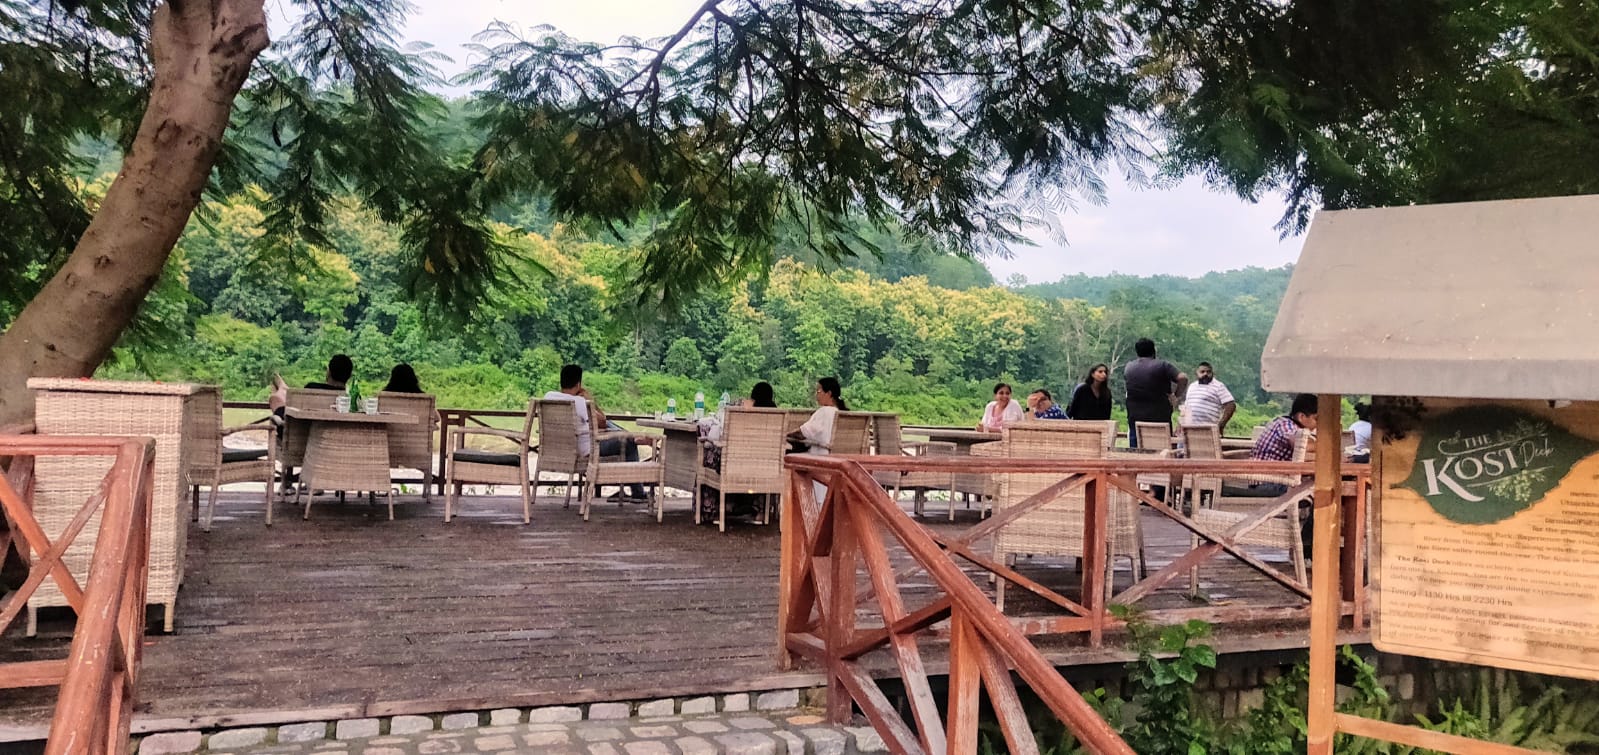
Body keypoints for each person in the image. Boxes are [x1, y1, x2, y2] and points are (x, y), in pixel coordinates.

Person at [543, 364, 647, 501]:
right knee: (628, 442)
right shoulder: (579, 402)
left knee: (620, 432)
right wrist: (590, 401)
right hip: (587, 450)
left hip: (563, 450)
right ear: (579, 384)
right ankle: (638, 492)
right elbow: (602, 421)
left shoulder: (549, 397)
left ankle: (630, 435)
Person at [1123, 339, 1188, 447]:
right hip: (1159, 419)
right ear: (1154, 350)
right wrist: (1175, 396)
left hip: (1135, 418)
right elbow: (1183, 377)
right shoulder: (1163, 365)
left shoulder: (1129, 367)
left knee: (1136, 453)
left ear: (1137, 352)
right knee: (1162, 452)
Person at [790, 377, 847, 454]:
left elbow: (802, 433)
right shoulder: (843, 413)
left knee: (789, 454)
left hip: (821, 456)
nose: (816, 395)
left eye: (818, 391)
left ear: (829, 393)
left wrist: (786, 434)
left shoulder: (824, 411)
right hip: (841, 458)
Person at [1182, 361, 1236, 431]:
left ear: (1212, 373)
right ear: (1197, 373)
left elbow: (1231, 405)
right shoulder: (1192, 386)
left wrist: (1221, 425)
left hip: (1209, 430)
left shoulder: (1218, 386)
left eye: (1208, 372)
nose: (1205, 374)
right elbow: (1186, 408)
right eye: (1202, 372)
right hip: (1188, 429)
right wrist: (1180, 425)